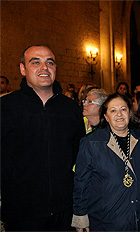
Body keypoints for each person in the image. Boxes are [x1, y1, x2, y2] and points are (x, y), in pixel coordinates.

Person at [1, 45, 86, 231]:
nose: (44, 67)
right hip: (21, 213)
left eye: (50, 62)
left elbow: (79, 157)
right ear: (23, 69)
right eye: (35, 62)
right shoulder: (5, 107)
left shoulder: (70, 109)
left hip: (65, 212)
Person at [72, 93, 140, 231]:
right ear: (106, 117)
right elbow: (81, 182)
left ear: (130, 113)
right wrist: (80, 216)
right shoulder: (91, 143)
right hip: (105, 221)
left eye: (123, 109)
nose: (119, 114)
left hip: (138, 218)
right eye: (113, 110)